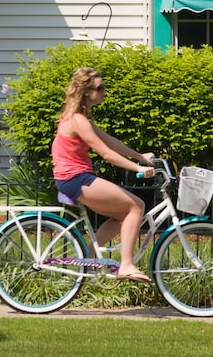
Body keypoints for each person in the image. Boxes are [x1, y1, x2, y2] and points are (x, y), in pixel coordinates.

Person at [52, 66, 155, 282]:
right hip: (75, 178)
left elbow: (111, 141)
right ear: (86, 92)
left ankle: (85, 256)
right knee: (136, 206)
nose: (103, 91)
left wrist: (140, 156)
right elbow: (106, 153)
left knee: (121, 216)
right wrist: (138, 169)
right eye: (100, 88)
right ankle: (126, 265)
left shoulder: (81, 118)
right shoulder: (78, 120)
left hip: (74, 177)